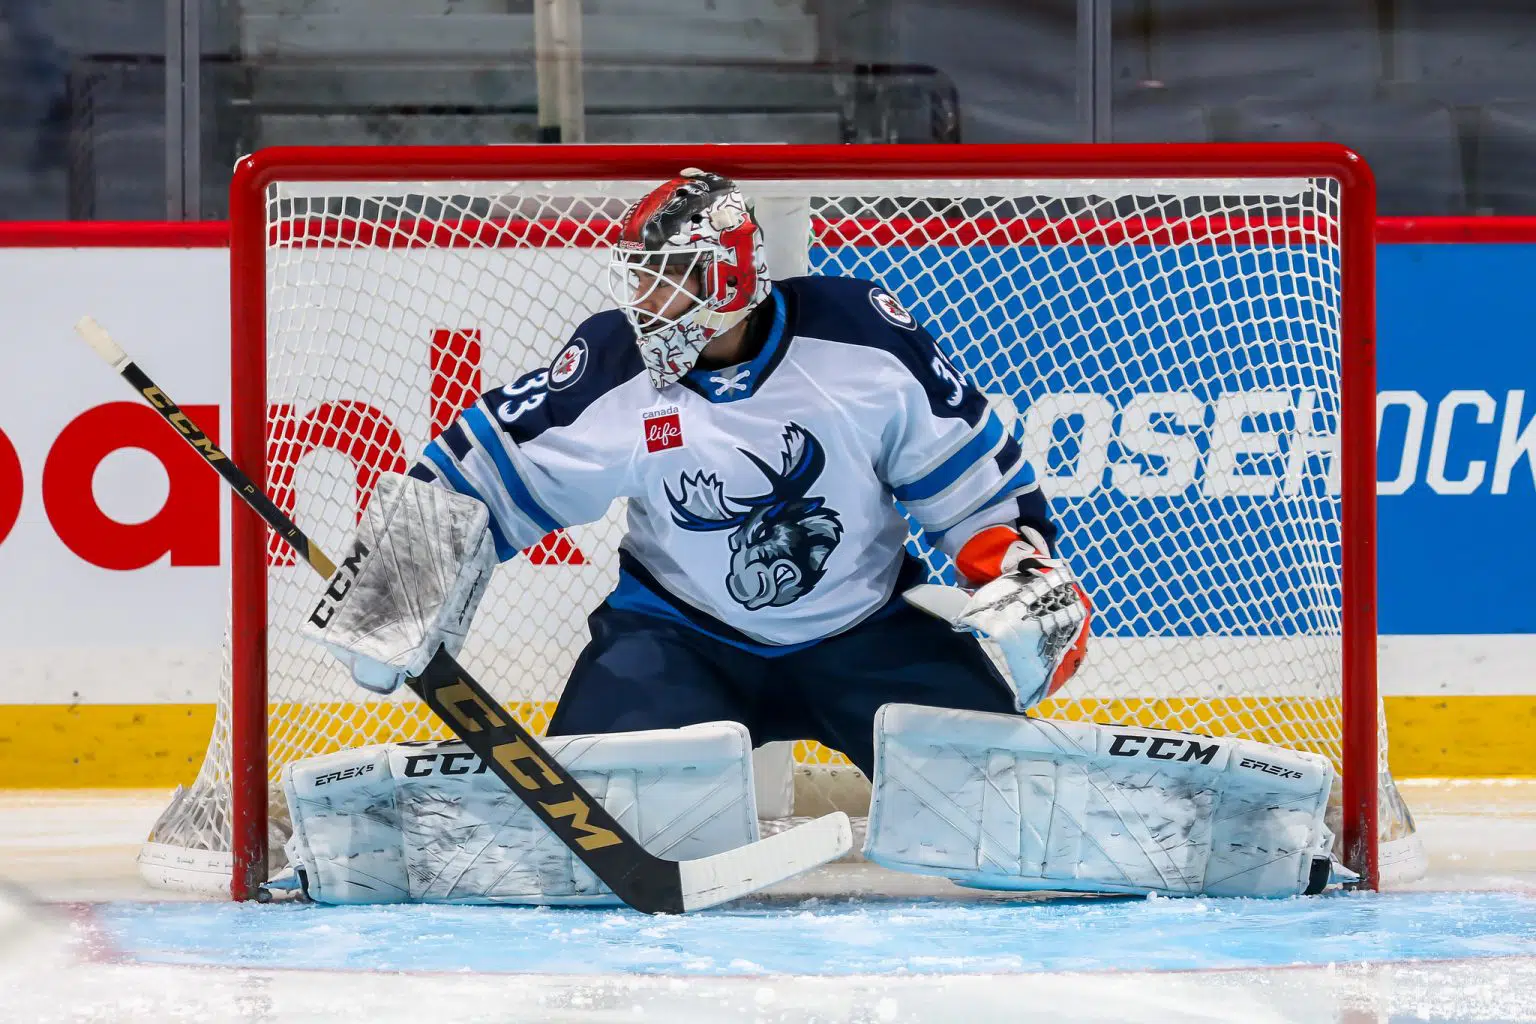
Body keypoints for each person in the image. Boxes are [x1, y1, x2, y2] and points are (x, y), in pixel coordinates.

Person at [401, 168, 1091, 776]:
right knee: (593, 812)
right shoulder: (614, 364)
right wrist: (395, 588)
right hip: (677, 638)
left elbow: (965, 482)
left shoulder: (859, 337)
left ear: (724, 277)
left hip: (870, 629)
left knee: (1004, 798)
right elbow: (486, 475)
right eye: (638, 276)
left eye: (663, 277)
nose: (642, 299)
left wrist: (1014, 568)